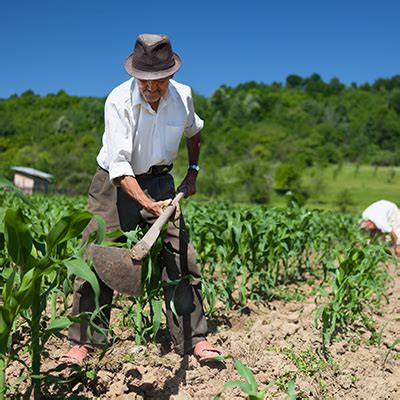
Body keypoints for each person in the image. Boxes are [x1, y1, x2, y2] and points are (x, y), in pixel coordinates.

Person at [61, 33, 220, 363]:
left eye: (156, 81)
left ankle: (193, 338)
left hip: (162, 181)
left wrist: (193, 170)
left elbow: (194, 131)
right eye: (142, 80)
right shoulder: (118, 101)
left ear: (170, 74)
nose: (149, 87)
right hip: (113, 183)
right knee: (95, 253)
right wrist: (146, 204)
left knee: (180, 255)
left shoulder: (184, 97)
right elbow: (120, 168)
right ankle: (84, 341)